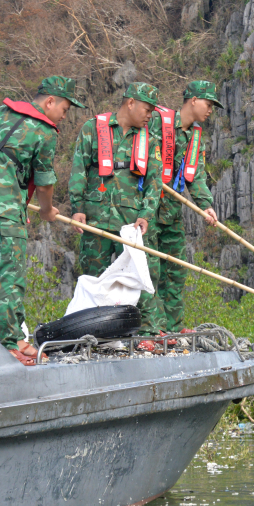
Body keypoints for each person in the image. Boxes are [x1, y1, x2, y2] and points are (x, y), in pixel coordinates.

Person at [0, 76, 85, 365]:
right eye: (64, 108)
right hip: (7, 209)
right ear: (49, 102)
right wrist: (48, 210)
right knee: (10, 276)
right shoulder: (44, 131)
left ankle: (14, 335)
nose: (65, 115)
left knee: (5, 272)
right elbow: (45, 181)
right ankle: (8, 343)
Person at [67, 82, 163, 338]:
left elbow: (155, 181)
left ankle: (146, 336)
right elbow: (79, 168)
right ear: (130, 102)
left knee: (139, 278)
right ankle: (89, 336)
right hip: (96, 220)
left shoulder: (149, 140)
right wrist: (77, 207)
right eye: (147, 108)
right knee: (92, 279)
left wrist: (146, 214)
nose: (150, 115)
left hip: (130, 224)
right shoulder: (93, 129)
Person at [146, 80, 222, 333]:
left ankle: (173, 327)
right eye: (208, 104)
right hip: (148, 209)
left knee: (176, 271)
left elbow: (196, 175)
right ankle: (152, 329)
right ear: (193, 100)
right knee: (149, 270)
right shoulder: (159, 121)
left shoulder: (196, 135)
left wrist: (206, 205)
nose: (210, 109)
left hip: (172, 212)